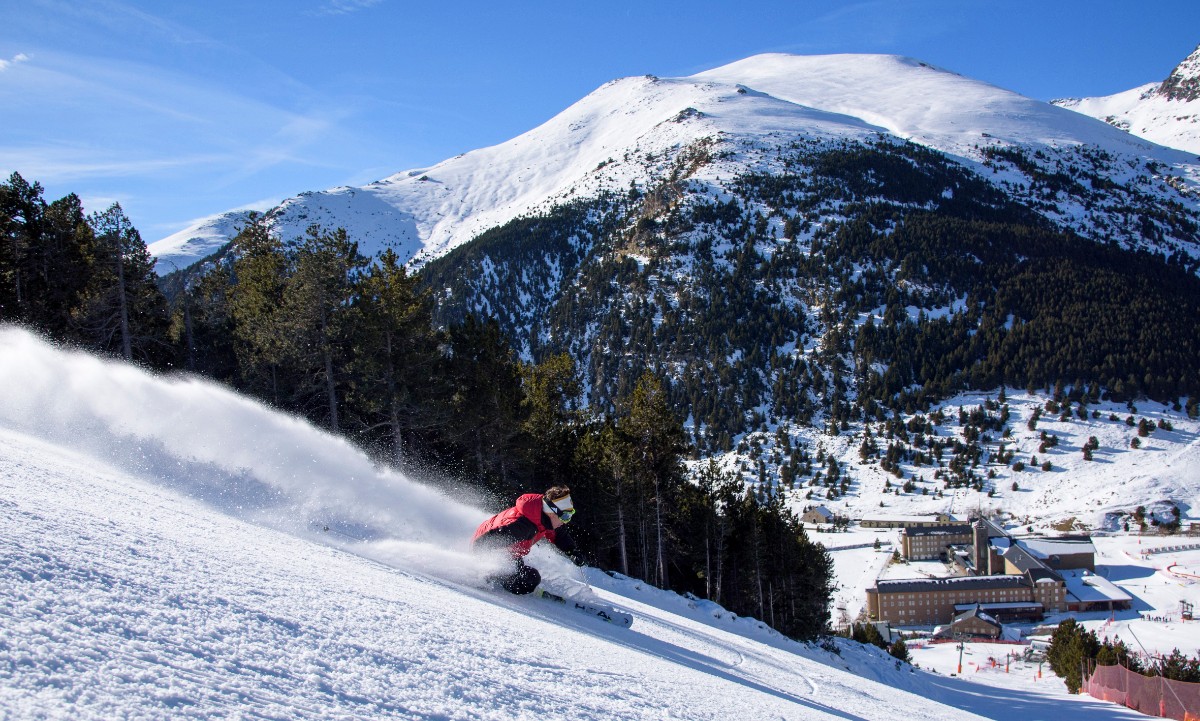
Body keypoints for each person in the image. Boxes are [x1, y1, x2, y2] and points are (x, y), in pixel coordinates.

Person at [472, 485, 578, 595]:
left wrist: (572, 550)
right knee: (530, 579)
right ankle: (502, 583)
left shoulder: (542, 517)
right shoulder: (522, 527)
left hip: (508, 552)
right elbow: (483, 543)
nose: (565, 522)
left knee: (526, 574)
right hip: (490, 553)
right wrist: (480, 569)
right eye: (566, 517)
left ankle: (510, 578)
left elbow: (558, 534)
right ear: (552, 512)